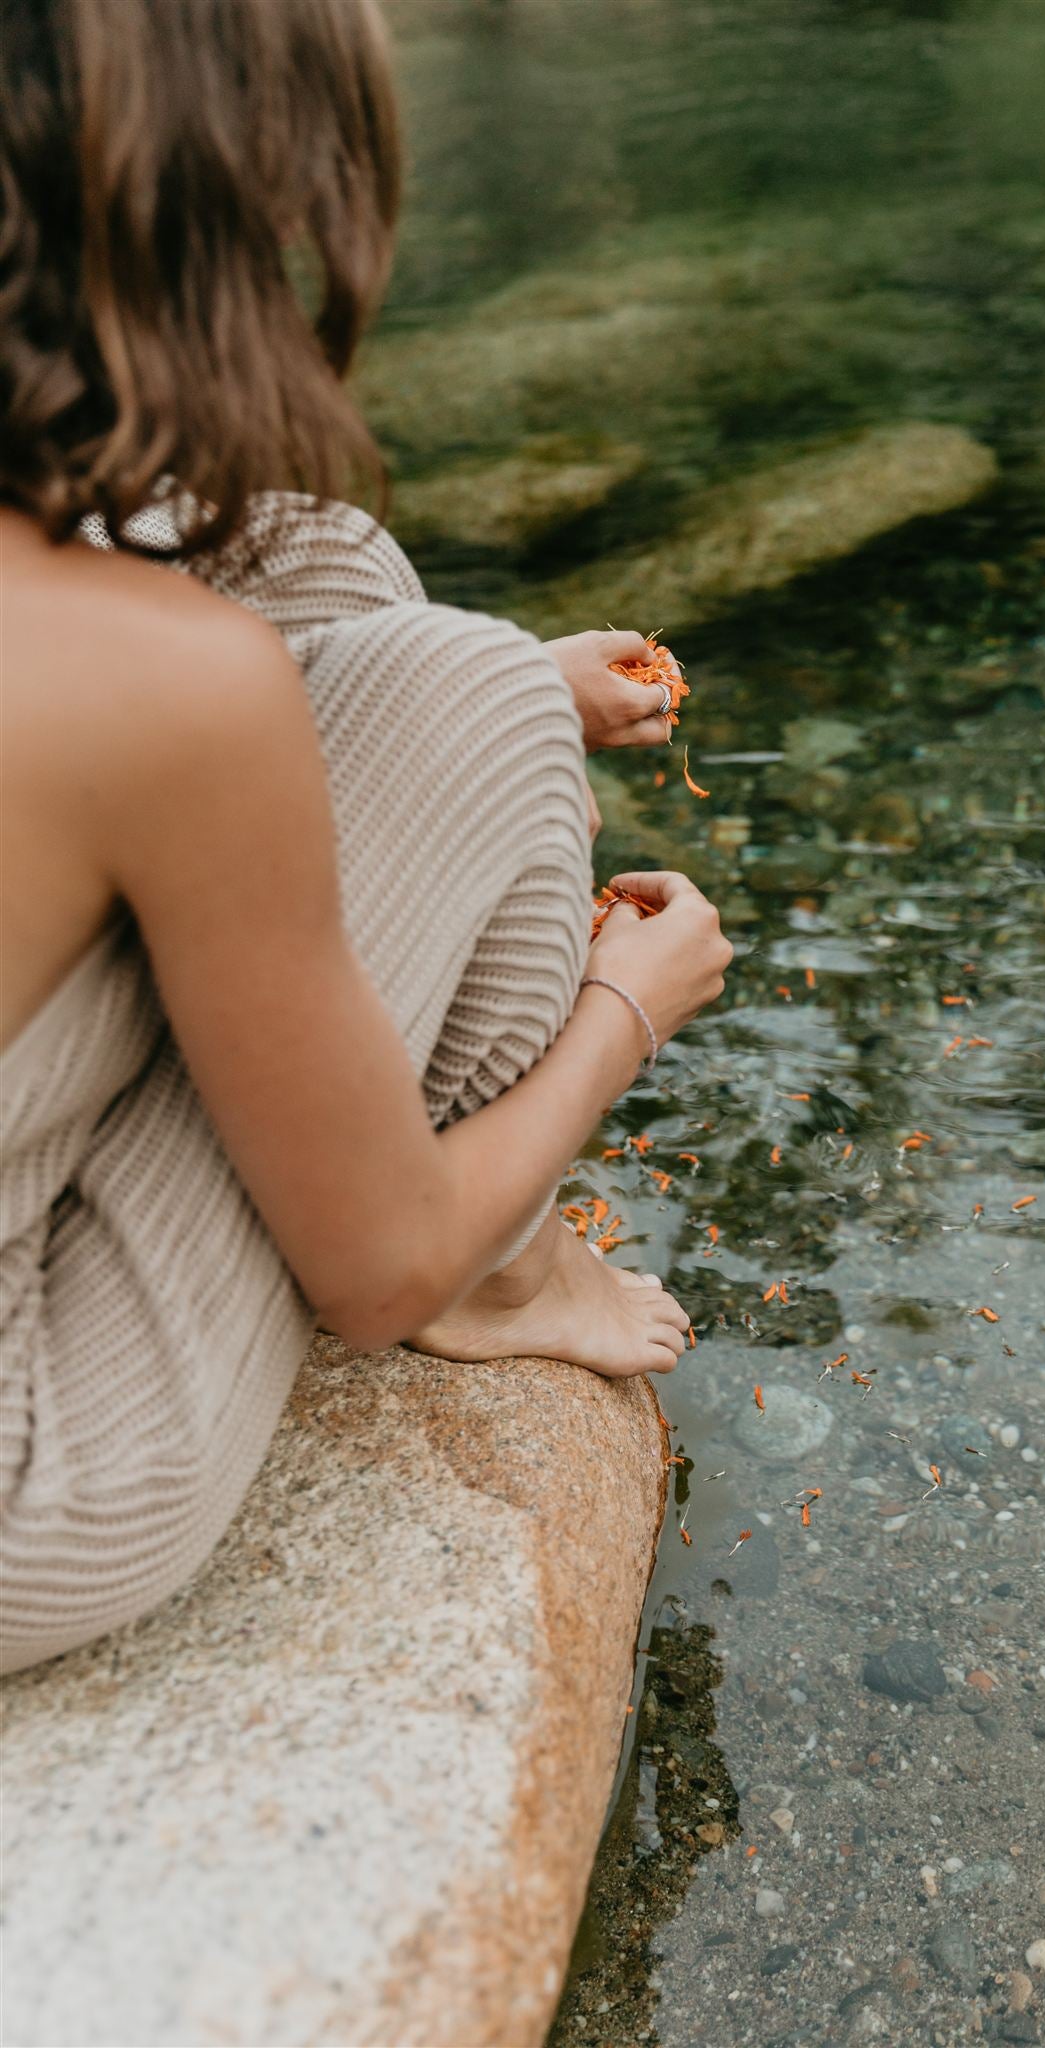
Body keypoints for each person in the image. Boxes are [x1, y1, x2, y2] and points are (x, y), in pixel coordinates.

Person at [0, 0, 731, 1677]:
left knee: (297, 552)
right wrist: (632, 1001)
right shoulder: (170, 696)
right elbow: (368, 1272)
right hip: (31, 1476)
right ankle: (511, 1268)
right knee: (452, 679)